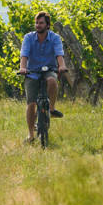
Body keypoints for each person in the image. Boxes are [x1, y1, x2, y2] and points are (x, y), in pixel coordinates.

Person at [18, 11, 67, 143]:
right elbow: (24, 55)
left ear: (47, 25)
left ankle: (50, 109)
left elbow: (59, 54)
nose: (38, 25)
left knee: (52, 80)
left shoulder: (55, 38)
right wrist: (23, 68)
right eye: (37, 23)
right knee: (31, 104)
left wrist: (61, 66)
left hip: (48, 69)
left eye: (41, 23)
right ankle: (30, 135)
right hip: (31, 72)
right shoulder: (28, 37)